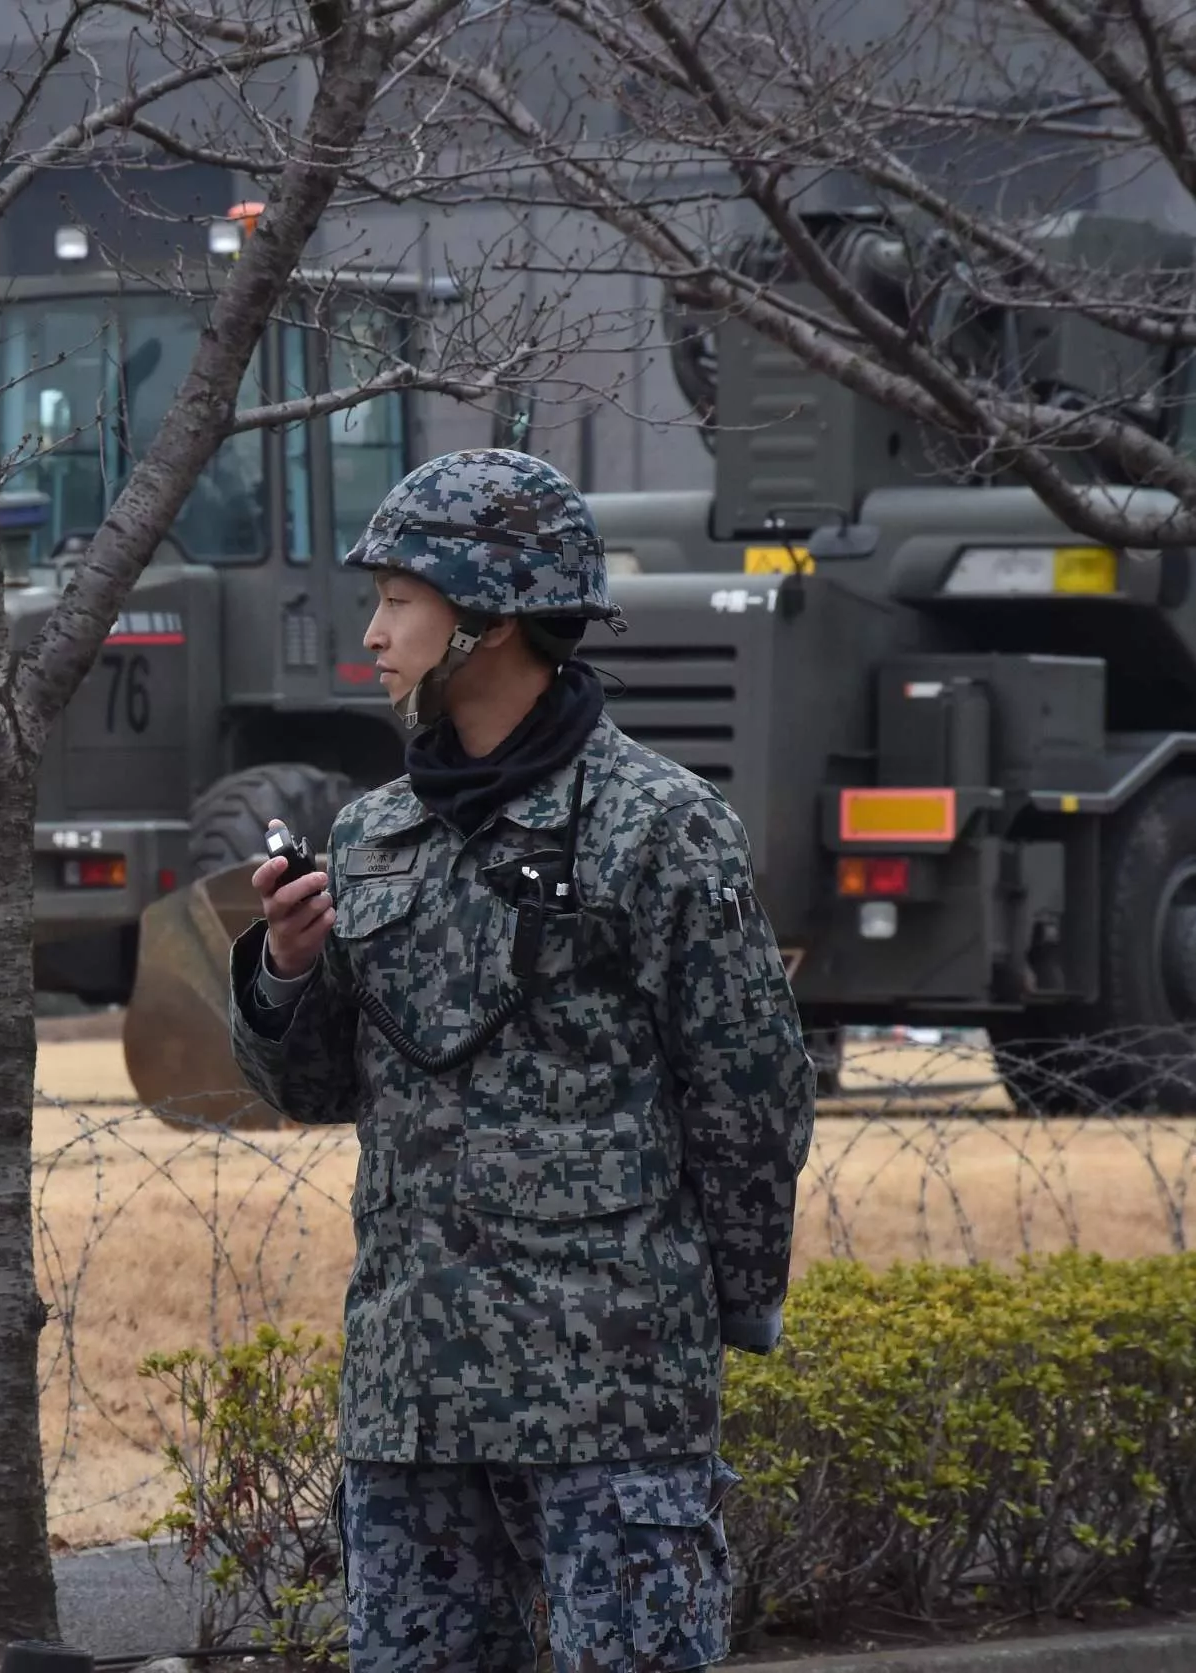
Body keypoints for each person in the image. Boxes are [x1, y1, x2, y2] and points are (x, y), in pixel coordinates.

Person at [228, 447, 816, 1672]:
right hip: (410, 1397)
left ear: (486, 621)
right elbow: (315, 1086)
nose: (372, 630)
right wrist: (284, 967)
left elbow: (749, 1095)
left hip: (608, 1390)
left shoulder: (656, 826)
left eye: (397, 599)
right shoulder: (375, 834)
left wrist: (718, 1305)